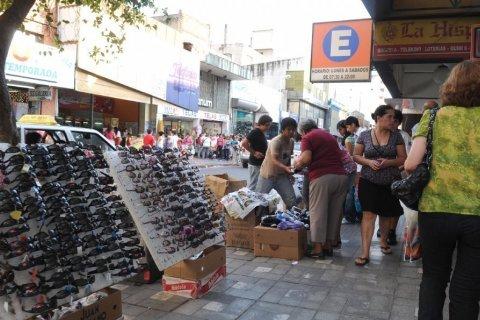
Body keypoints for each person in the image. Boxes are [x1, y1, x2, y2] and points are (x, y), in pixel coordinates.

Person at [404, 60, 480, 320]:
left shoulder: (433, 116)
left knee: (433, 279)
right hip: (477, 216)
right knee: (467, 288)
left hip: (435, 211)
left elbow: (411, 163)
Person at [352, 105, 406, 266]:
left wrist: (388, 162)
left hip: (390, 182)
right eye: (389, 117)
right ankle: (365, 252)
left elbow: (403, 158)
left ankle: (383, 241)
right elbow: (355, 155)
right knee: (368, 215)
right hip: (368, 181)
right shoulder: (364, 135)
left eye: (393, 117)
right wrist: (369, 161)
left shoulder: (396, 136)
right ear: (378, 118)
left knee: (386, 214)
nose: (392, 120)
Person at [294, 119, 349, 259]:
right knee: (334, 213)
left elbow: (305, 159)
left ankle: (317, 249)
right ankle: (328, 246)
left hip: (322, 178)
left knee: (317, 212)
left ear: (303, 131)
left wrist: (297, 164)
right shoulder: (329, 136)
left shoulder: (308, 137)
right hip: (341, 178)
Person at [256, 117, 297, 209]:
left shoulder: (291, 142)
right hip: (267, 176)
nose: (292, 132)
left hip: (281, 176)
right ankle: (257, 222)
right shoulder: (276, 141)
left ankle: (292, 221)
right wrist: (286, 168)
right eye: (289, 129)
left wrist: (289, 173)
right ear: (282, 130)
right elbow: (274, 160)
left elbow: (288, 159)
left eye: (293, 130)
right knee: (259, 203)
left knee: (292, 201)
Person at [241, 115, 272, 190]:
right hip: (255, 164)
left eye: (269, 125)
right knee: (253, 186)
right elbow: (244, 143)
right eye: (267, 125)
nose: (268, 128)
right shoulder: (255, 131)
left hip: (260, 164)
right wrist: (254, 153)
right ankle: (249, 200)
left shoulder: (261, 133)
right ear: (261, 124)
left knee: (258, 185)